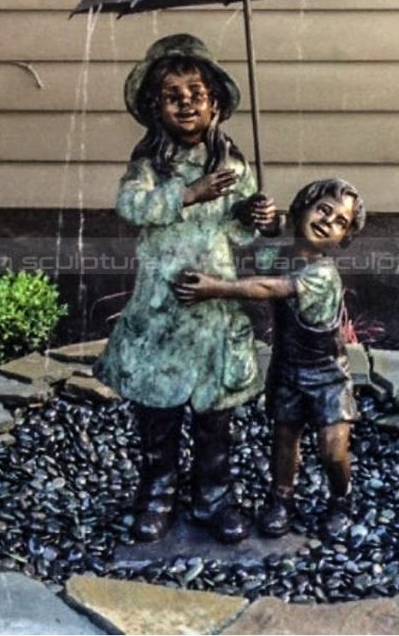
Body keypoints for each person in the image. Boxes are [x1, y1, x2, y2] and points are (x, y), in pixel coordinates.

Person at [94, 34, 278, 544]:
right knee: (159, 411)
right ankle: (158, 493)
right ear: (156, 108)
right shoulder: (150, 167)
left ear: (215, 103)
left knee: (215, 415)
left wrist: (259, 216)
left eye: (196, 94)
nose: (186, 104)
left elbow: (239, 231)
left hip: (215, 308)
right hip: (163, 308)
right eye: (172, 96)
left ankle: (212, 496)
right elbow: (132, 206)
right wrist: (189, 193)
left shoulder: (231, 164)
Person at [174, 178, 366, 540]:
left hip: (327, 375)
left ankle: (342, 499)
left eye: (340, 222)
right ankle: (281, 499)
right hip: (287, 367)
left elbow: (268, 287)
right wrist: (263, 219)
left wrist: (214, 288)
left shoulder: (324, 274)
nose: (327, 221)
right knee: (284, 438)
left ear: (343, 238)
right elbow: (251, 252)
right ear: (302, 209)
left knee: (332, 448)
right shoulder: (277, 256)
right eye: (323, 209)